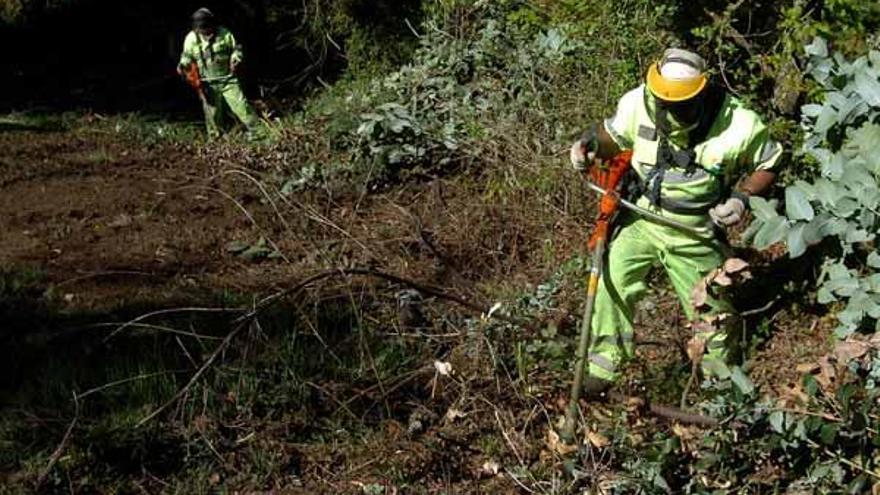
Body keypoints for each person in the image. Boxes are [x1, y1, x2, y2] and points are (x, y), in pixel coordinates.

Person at [569, 48, 782, 394]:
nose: (670, 111)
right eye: (665, 103)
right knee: (611, 280)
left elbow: (769, 163)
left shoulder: (739, 123)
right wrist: (588, 143)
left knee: (711, 308)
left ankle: (719, 379)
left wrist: (741, 199)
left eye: (681, 104)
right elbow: (613, 136)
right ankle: (605, 364)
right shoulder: (639, 101)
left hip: (694, 230)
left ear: (701, 93)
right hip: (641, 217)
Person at [177, 8, 261, 139]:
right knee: (212, 113)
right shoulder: (191, 38)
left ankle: (258, 132)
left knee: (241, 106)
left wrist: (236, 59)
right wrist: (183, 65)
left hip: (228, 79)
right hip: (207, 83)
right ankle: (215, 138)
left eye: (206, 27)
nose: (204, 30)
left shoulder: (224, 33)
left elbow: (236, 49)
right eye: (201, 28)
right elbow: (187, 56)